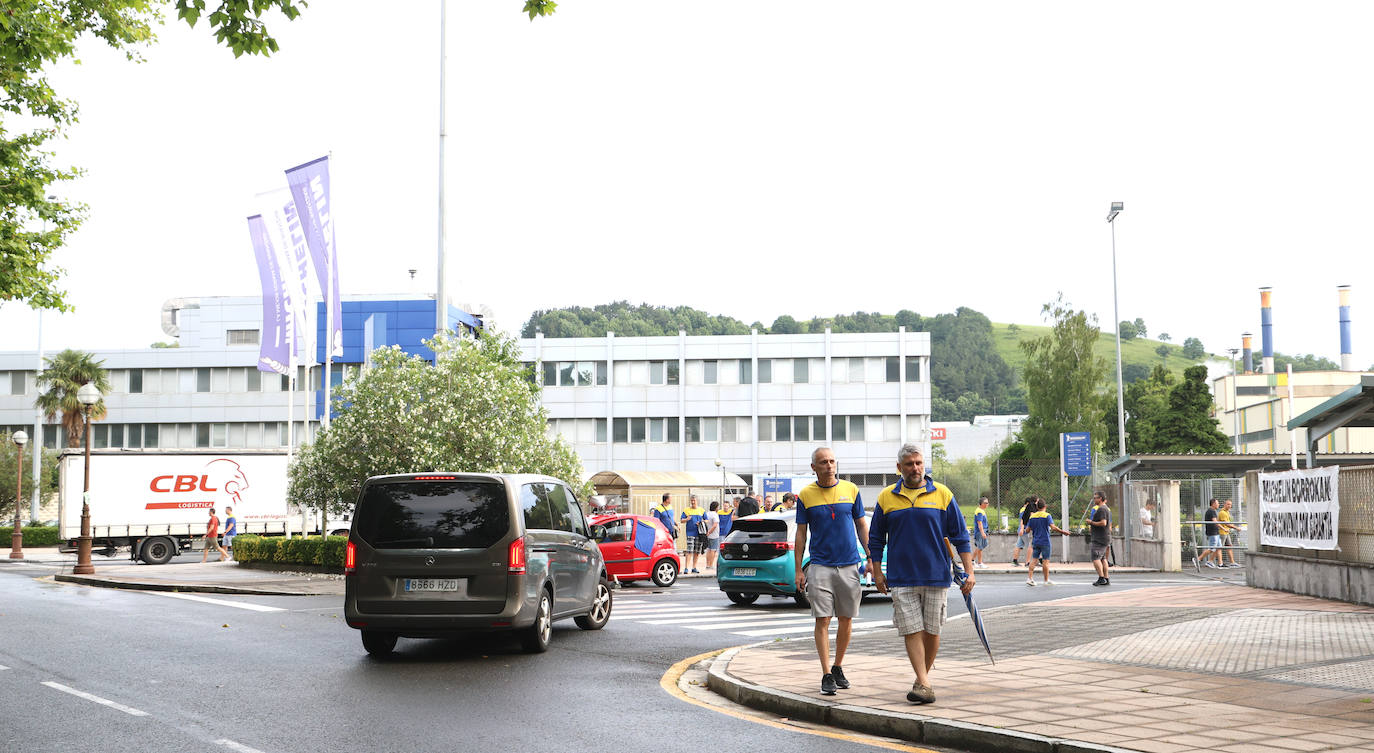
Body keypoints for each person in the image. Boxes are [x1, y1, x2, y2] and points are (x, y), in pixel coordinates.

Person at [868, 444, 973, 706]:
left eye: (918, 463)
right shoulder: (885, 498)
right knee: (911, 630)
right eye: (909, 464)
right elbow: (876, 539)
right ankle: (924, 682)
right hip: (901, 577)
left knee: (932, 630)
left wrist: (969, 572)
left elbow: (961, 536)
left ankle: (921, 680)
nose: (915, 468)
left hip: (936, 574)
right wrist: (878, 571)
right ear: (899, 468)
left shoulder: (942, 494)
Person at [795, 447, 871, 696]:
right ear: (813, 467)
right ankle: (826, 673)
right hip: (819, 566)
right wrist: (799, 569)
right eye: (823, 462)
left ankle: (838, 666)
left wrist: (870, 557)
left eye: (832, 461)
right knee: (823, 619)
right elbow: (801, 533)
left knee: (847, 618)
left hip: (849, 564)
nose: (829, 465)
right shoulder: (805, 495)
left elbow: (861, 524)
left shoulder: (851, 490)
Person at [1025, 499, 1071, 586]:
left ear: (1037, 507)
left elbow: (1027, 530)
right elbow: (1053, 527)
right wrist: (1063, 532)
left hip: (1035, 541)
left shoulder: (1032, 516)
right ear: (1045, 507)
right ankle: (1046, 580)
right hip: (1045, 541)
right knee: (1045, 561)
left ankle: (1030, 578)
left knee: (1034, 560)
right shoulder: (1047, 515)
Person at [680, 495, 708, 574]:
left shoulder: (701, 510)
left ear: (697, 501)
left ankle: (694, 567)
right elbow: (681, 520)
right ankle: (686, 568)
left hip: (699, 533)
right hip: (690, 533)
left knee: (697, 551)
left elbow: (707, 520)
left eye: (694, 501)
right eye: (691, 500)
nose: (692, 502)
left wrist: (701, 522)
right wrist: (687, 519)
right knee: (689, 550)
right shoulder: (686, 510)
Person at [1088, 492, 1111, 586]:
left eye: (1095, 498)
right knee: (1103, 558)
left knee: (1095, 558)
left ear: (1100, 498)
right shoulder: (1106, 508)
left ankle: (1101, 578)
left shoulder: (1101, 509)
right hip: (1104, 537)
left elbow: (1103, 523)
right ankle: (1106, 578)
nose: (1094, 500)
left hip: (1099, 538)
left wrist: (1091, 522)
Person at [1011, 496, 1035, 567]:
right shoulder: (1025, 509)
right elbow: (1023, 520)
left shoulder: (1022, 509)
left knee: (1018, 545)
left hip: (1021, 530)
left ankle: (1014, 561)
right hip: (1024, 530)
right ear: (1028, 503)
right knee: (1030, 546)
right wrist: (1022, 528)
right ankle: (1028, 562)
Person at [1200, 498, 1222, 568]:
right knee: (1212, 548)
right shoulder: (1211, 511)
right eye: (1217, 503)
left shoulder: (1213, 511)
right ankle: (1198, 559)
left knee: (1218, 547)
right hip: (1213, 533)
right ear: (1213, 504)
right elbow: (1215, 521)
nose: (1218, 504)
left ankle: (1214, 562)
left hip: (1216, 532)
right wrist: (1223, 528)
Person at [1219, 499, 1240, 568]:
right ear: (1224, 504)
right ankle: (1219, 563)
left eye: (1230, 504)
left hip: (1226, 532)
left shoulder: (1227, 512)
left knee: (1229, 546)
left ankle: (1232, 562)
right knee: (1219, 548)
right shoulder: (1222, 513)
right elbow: (1227, 524)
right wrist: (1236, 527)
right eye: (1228, 504)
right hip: (1222, 532)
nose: (1229, 506)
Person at [972, 498, 990, 569]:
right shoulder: (979, 511)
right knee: (980, 547)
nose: (987, 504)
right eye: (985, 503)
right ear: (981, 503)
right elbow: (980, 523)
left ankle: (972, 560)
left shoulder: (981, 511)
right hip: (980, 532)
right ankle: (980, 563)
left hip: (982, 531)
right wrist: (982, 533)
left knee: (979, 547)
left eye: (987, 503)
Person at [704, 501, 722, 570]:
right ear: (716, 508)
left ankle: (707, 564)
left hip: (708, 535)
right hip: (714, 535)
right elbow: (715, 525)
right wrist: (710, 532)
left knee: (708, 550)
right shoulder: (715, 515)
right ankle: (711, 565)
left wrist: (707, 532)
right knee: (713, 550)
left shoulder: (707, 513)